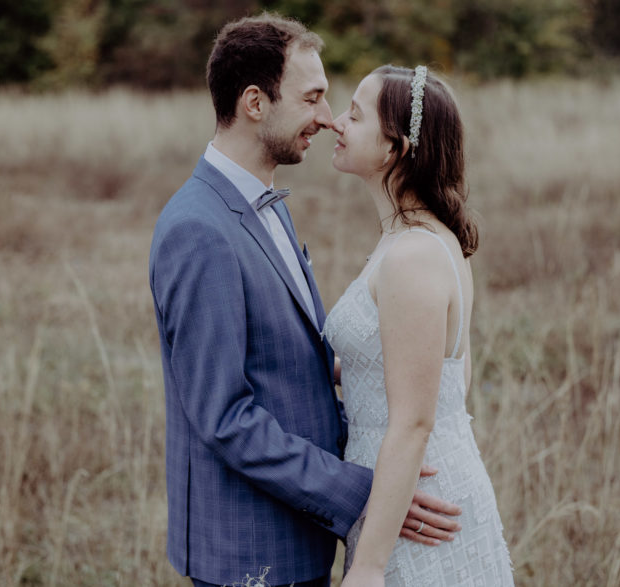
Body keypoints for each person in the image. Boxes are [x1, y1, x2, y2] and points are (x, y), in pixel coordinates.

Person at [148, 15, 461, 587]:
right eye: (312, 97)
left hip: (299, 533)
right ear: (255, 103)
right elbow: (225, 417)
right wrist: (361, 491)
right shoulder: (199, 229)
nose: (326, 116)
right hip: (249, 549)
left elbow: (293, 368)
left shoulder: (268, 205)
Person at [323, 65, 514, 586]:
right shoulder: (417, 239)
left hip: (418, 512)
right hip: (402, 495)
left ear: (395, 148)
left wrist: (368, 568)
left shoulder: (413, 256)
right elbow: (450, 377)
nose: (337, 122)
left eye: (355, 115)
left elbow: (413, 421)